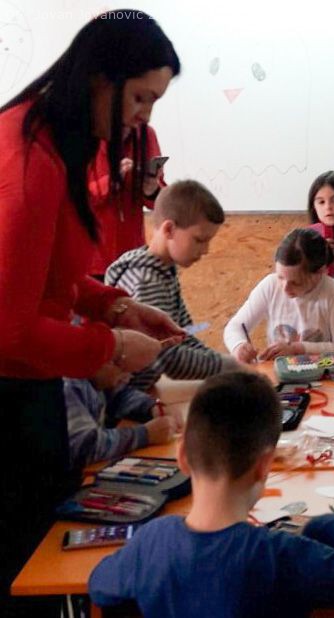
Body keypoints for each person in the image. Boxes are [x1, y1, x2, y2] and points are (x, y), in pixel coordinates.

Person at [0, 12, 183, 615]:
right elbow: (11, 329)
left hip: (30, 393)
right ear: (101, 78)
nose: (143, 118)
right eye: (140, 97)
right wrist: (110, 347)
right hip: (13, 401)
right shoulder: (30, 157)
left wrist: (114, 305)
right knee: (27, 573)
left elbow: (48, 276)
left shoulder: (55, 142)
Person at [89, 371, 334, 616]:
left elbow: (99, 584)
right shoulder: (279, 555)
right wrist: (322, 523)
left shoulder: (152, 542)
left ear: (183, 456)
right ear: (264, 465)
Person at [106, 180, 237, 390]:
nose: (205, 250)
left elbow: (183, 335)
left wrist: (224, 365)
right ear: (169, 229)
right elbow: (167, 357)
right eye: (200, 240)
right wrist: (229, 367)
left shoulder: (164, 271)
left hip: (144, 389)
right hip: (125, 395)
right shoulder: (147, 280)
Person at [224, 228, 334, 363]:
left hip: (322, 371)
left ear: (321, 272)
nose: (285, 288)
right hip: (278, 370)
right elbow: (234, 327)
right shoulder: (270, 285)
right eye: (280, 277)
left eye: (296, 282)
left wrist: (298, 348)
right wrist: (238, 346)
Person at [65, 356, 178, 471]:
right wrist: (145, 434)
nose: (128, 378)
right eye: (125, 370)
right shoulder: (69, 385)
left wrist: (151, 407)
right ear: (108, 360)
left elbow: (120, 395)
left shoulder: (96, 378)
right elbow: (85, 447)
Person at [87, 123, 166, 278]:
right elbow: (75, 196)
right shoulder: (86, 134)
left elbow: (159, 201)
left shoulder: (146, 134)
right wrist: (110, 183)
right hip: (94, 255)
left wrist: (152, 189)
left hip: (132, 255)